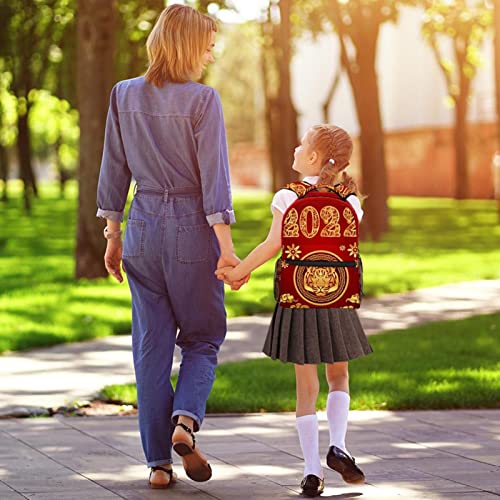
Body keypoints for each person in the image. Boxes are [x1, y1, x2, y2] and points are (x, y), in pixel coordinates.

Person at [96, 4, 247, 490]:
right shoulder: (203, 101)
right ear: (186, 45)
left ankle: (158, 464)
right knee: (203, 338)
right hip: (191, 230)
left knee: (151, 348)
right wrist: (226, 249)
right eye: (206, 44)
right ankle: (185, 421)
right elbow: (214, 183)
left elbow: (113, 170)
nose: (210, 52)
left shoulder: (123, 94)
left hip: (140, 228)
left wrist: (113, 235)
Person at [216, 124, 373, 497]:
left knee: (306, 388)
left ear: (314, 157)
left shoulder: (288, 197)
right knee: (339, 377)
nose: (295, 148)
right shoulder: (351, 201)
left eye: (301, 144)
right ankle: (340, 445)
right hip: (337, 299)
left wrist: (238, 272)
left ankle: (311, 471)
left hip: (298, 298)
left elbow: (273, 244)